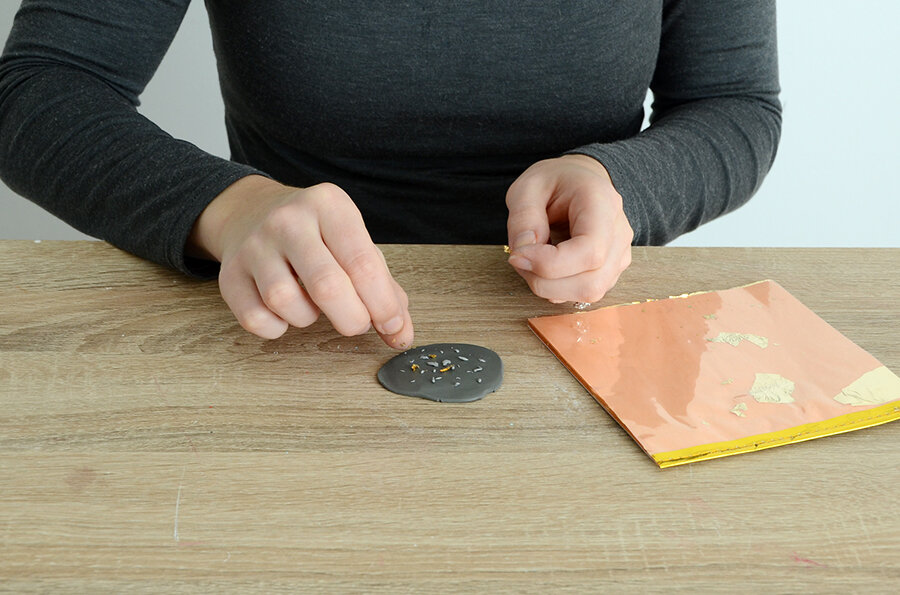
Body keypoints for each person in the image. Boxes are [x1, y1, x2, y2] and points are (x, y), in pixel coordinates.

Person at [0, 1, 781, 350]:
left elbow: (734, 103)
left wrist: (620, 182)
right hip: (294, 332)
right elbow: (37, 88)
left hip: (593, 329)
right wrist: (232, 208)